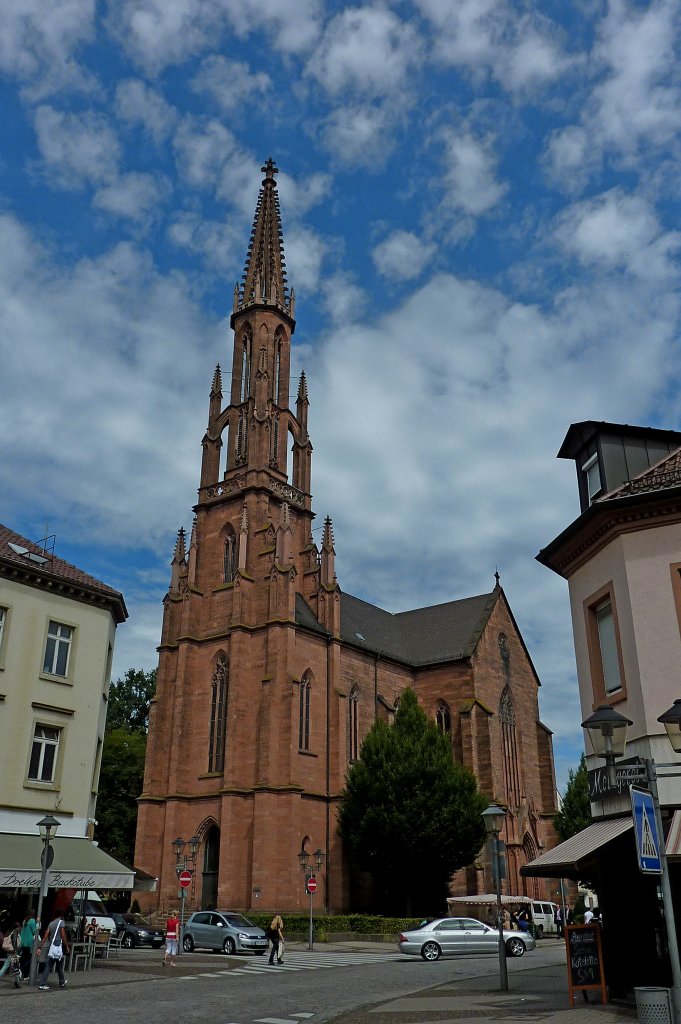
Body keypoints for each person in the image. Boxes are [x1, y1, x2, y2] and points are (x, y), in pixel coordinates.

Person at [37, 915, 69, 991]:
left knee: (52, 965)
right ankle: (44, 983)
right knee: (57, 966)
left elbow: (45, 936)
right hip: (57, 948)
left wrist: (40, 947)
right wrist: (67, 946)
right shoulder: (61, 922)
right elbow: (63, 935)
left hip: (51, 947)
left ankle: (61, 981)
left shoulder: (51, 923)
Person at [19, 913, 36, 981]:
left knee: (24, 958)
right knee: (30, 959)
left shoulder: (24, 921)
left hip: (23, 942)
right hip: (29, 943)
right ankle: (22, 971)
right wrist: (38, 924)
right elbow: (35, 932)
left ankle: (24, 975)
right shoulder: (32, 921)